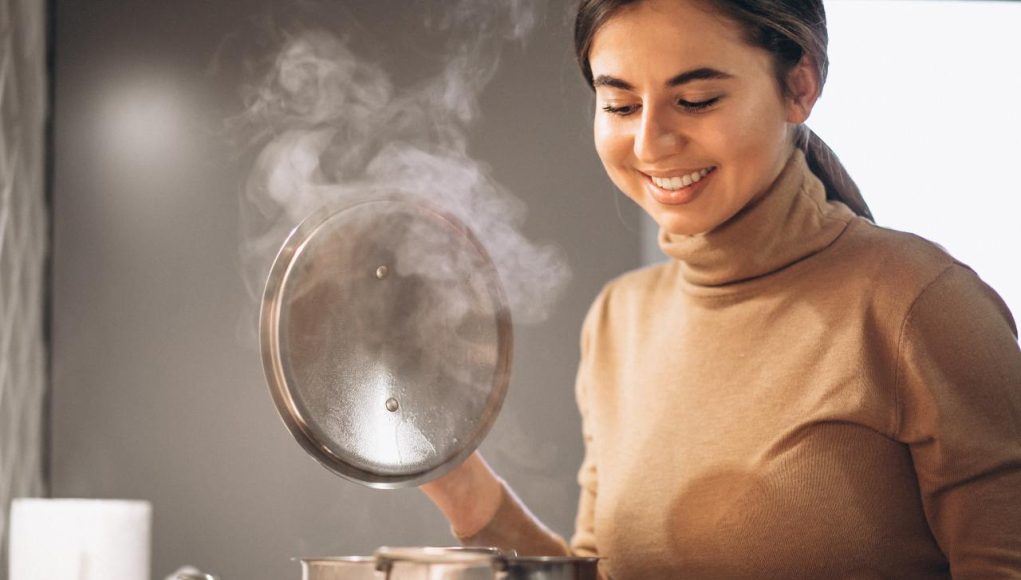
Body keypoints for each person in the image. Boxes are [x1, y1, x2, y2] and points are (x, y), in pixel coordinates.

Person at [421, 0, 1021, 577]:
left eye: (696, 100)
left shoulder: (918, 304)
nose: (650, 143)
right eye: (621, 105)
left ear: (801, 87)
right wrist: (458, 480)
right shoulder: (619, 320)